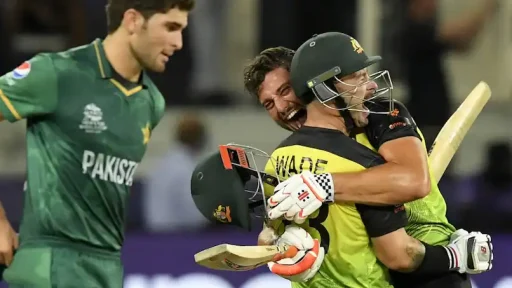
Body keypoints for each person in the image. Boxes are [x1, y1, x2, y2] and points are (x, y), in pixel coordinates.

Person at [243, 34, 492, 287]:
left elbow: (415, 181)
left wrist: (323, 185)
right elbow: (273, 228)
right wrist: (279, 242)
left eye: (285, 91)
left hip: (425, 260)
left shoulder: (380, 114)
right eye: (268, 104)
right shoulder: (288, 155)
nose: (282, 107)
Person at [0, 0, 194, 286]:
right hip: (52, 265)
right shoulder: (58, 72)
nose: (178, 43)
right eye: (170, 27)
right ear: (133, 21)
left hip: (108, 269)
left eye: (182, 30)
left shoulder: (151, 102)